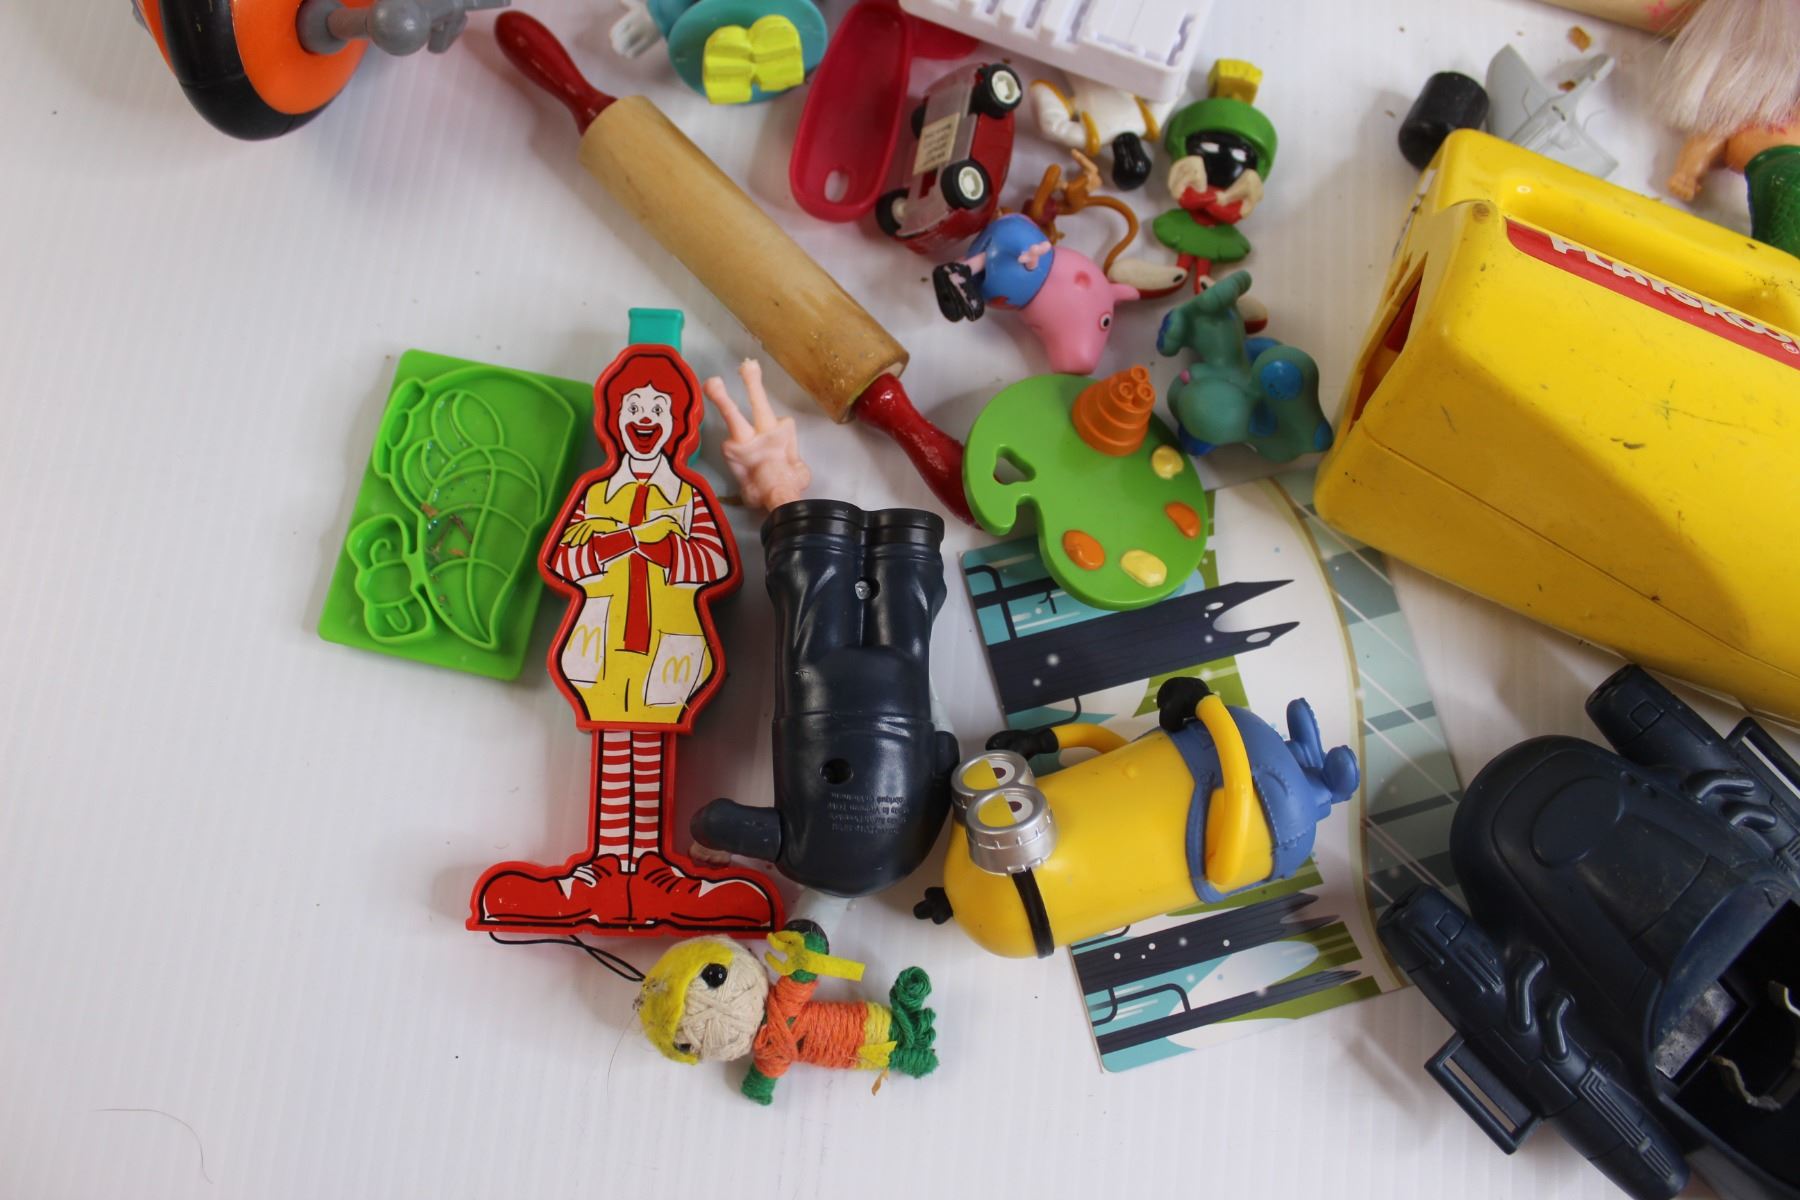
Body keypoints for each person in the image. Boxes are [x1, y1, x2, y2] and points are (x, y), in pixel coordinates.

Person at [473, 344, 778, 931]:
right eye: (633, 406)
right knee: (616, 747)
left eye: (657, 409)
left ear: (676, 424)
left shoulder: (688, 496)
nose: (644, 417)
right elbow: (563, 561)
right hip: (605, 647)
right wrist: (618, 541)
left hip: (666, 647)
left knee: (650, 750)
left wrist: (665, 548)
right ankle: (607, 867)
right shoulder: (596, 494)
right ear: (614, 420)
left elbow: (715, 563)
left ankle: (653, 870)